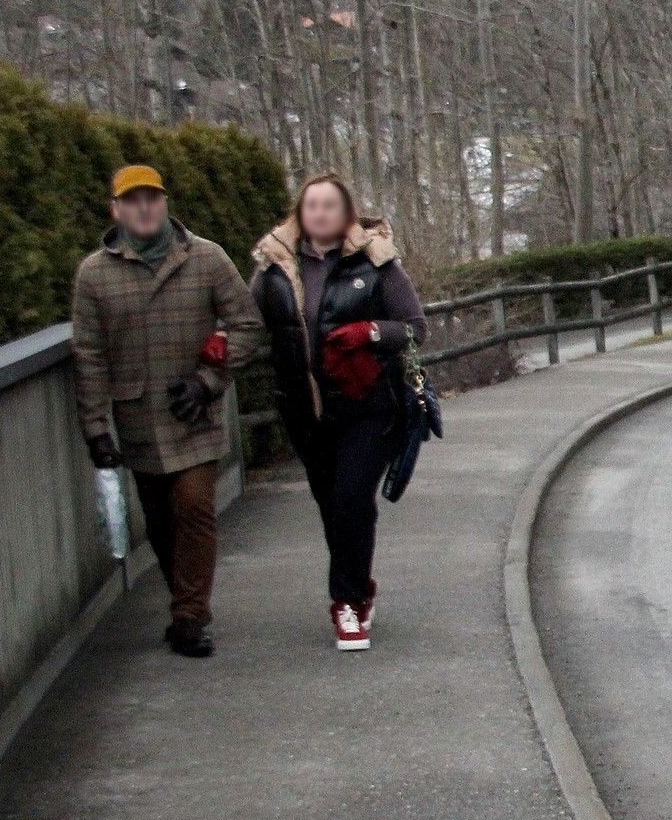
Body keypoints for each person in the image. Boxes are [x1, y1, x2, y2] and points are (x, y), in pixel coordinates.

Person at [73, 164, 267, 657]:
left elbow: (248, 324)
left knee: (196, 508)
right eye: (133, 200)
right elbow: (89, 355)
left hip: (194, 415)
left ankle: (190, 618)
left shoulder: (206, 258)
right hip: (136, 417)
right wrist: (95, 427)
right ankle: (183, 599)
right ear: (116, 210)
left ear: (164, 204)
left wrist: (207, 382)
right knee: (160, 522)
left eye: (152, 198)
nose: (144, 207)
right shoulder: (94, 274)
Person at [251, 173, 426, 652]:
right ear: (300, 213)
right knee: (332, 503)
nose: (321, 213)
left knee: (351, 495)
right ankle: (358, 584)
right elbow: (249, 324)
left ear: (347, 212)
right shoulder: (273, 267)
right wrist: (218, 350)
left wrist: (370, 332)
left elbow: (415, 330)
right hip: (305, 409)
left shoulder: (377, 262)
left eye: (331, 205)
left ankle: (346, 604)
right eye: (313, 205)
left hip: (370, 405)